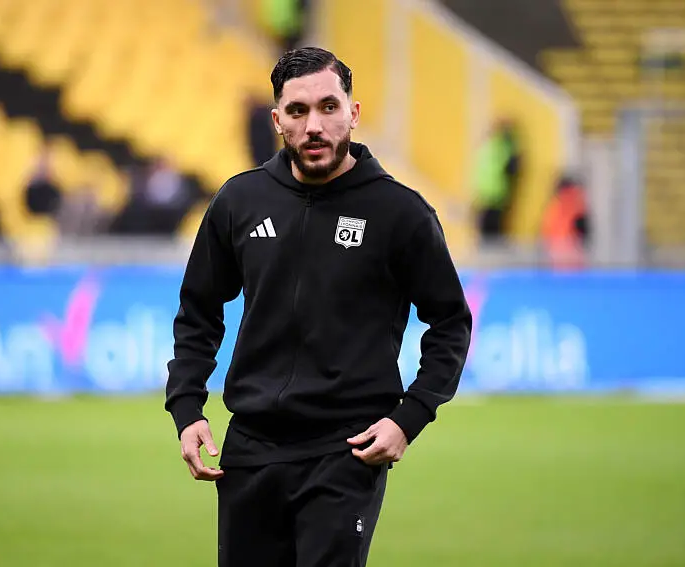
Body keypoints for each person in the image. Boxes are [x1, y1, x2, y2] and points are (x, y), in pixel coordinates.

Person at [164, 47, 472, 567]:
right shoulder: (239, 202)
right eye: (298, 110)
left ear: (353, 113)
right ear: (277, 120)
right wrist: (187, 407)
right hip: (250, 450)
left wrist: (409, 417)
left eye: (329, 107)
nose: (314, 125)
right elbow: (198, 309)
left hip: (345, 450)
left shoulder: (400, 213)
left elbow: (450, 322)